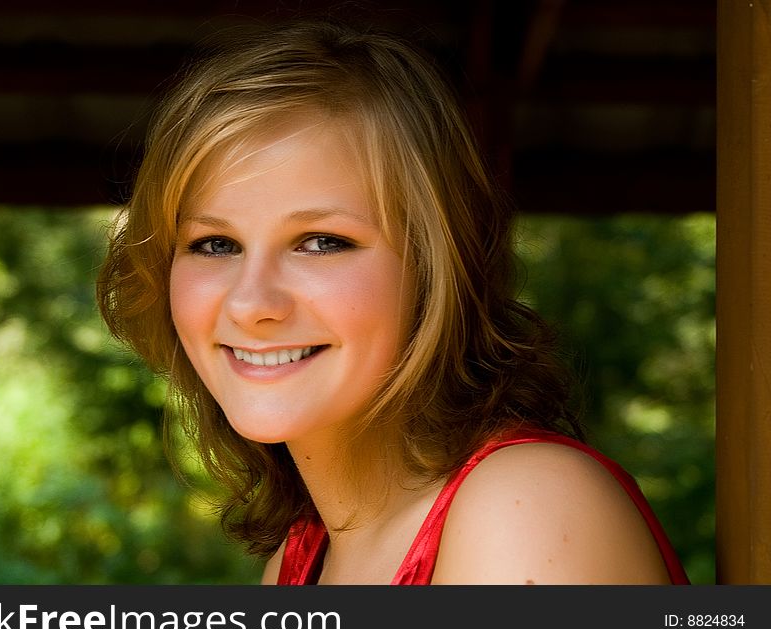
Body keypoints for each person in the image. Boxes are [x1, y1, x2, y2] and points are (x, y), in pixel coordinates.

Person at [96, 18, 690, 585]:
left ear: (435, 268)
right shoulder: (299, 561)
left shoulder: (526, 507)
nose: (252, 303)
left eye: (322, 242)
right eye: (214, 243)